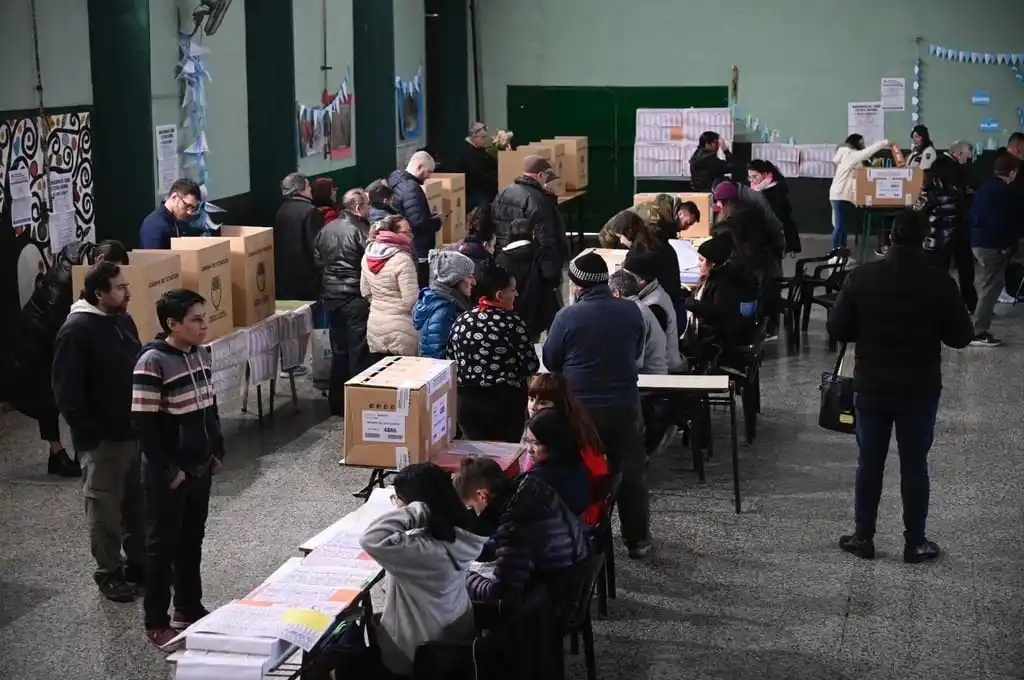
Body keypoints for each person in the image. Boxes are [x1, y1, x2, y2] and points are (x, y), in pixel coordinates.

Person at [826, 211, 973, 564]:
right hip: (919, 389)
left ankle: (863, 538)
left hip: (871, 386)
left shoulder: (861, 277)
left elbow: (838, 329)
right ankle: (915, 542)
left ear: (890, 237)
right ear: (924, 239)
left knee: (869, 464)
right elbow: (961, 337)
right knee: (914, 465)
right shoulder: (939, 282)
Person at [132, 288, 225, 645]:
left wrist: (215, 450)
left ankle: (188, 605)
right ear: (172, 324)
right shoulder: (152, 362)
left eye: (205, 318)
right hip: (169, 473)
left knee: (192, 541)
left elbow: (210, 406)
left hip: (200, 467)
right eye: (196, 320)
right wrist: (169, 470)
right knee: (162, 546)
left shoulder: (201, 354)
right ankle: (156, 618)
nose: (204, 326)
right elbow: (143, 425)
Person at [542, 252, 650, 558]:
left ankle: (579, 535)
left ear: (577, 285)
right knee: (630, 473)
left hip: (581, 411)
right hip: (625, 405)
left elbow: (551, 360)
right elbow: (637, 350)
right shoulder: (631, 311)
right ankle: (638, 540)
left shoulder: (568, 316)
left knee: (576, 470)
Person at [51, 261, 144, 603]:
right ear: (98, 293)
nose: (127, 292)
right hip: (103, 441)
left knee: (137, 505)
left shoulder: (122, 319)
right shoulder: (76, 330)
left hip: (133, 432)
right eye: (119, 288)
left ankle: (138, 563)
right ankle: (109, 572)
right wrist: (95, 431)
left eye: (126, 286)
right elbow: (66, 392)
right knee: (104, 511)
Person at [356, 462, 487, 677]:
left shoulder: (423, 552)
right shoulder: (459, 535)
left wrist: (416, 509)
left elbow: (371, 538)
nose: (396, 505)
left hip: (415, 651)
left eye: (398, 499)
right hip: (453, 636)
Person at [11, 239, 128, 477]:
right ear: (100, 262)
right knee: (48, 395)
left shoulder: (85, 257)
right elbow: (58, 322)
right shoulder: (66, 281)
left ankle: (69, 452)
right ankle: (57, 453)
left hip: (52, 331)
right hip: (39, 337)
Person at [455, 456, 589, 603]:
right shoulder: (531, 487)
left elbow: (500, 594)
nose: (474, 512)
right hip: (572, 573)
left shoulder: (516, 525)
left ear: (482, 496)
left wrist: (464, 578)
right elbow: (506, 543)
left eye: (471, 506)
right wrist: (474, 551)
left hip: (551, 600)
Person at [446, 263, 539, 441]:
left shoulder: (462, 320)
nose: (516, 294)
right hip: (504, 402)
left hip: (467, 402)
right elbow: (531, 364)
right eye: (513, 290)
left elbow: (450, 358)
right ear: (499, 295)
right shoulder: (512, 323)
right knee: (505, 456)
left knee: (477, 457)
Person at [315, 188, 373, 413]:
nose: (369, 209)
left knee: (338, 349)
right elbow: (370, 265)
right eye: (367, 205)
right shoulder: (363, 231)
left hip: (331, 297)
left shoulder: (326, 229)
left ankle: (337, 402)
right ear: (358, 208)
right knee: (358, 350)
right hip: (355, 297)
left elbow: (318, 260)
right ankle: (357, 404)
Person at [525, 374, 609, 525]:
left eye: (543, 402)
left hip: (576, 514)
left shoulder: (565, 438)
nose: (534, 407)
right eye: (531, 399)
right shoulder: (571, 425)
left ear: (560, 405)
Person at [915, 140, 977, 312]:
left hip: (939, 229)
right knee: (964, 270)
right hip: (957, 227)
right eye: (967, 155)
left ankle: (937, 306)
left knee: (939, 272)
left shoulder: (937, 169)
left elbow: (924, 200)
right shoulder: (955, 171)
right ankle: (969, 304)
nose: (969, 158)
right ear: (958, 154)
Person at [967, 153, 1019, 347]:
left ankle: (979, 328)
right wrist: (1007, 245)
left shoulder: (986, 186)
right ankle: (978, 331)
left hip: (977, 241)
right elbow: (1002, 223)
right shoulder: (1004, 191)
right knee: (991, 287)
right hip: (991, 245)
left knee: (989, 285)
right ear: (1012, 172)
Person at [490, 155, 569, 274]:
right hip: (529, 263)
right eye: (547, 176)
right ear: (540, 175)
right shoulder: (539, 200)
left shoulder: (503, 192)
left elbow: (495, 224)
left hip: (503, 257)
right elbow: (546, 238)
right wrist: (550, 270)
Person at [599, 208, 684, 314]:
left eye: (620, 237)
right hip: (673, 301)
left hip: (659, 308)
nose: (620, 241)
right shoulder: (656, 240)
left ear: (627, 233)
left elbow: (625, 285)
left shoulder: (637, 256)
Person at [684, 233, 759, 353]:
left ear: (712, 263)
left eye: (702, 260)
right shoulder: (713, 278)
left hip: (717, 340)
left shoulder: (723, 283)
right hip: (711, 335)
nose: (699, 264)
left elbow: (718, 312)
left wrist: (690, 303)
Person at [361, 214, 420, 359]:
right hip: (402, 330)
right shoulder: (403, 259)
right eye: (406, 232)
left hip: (375, 326)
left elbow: (365, 291)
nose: (411, 236)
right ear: (392, 233)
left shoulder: (367, 256)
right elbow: (411, 301)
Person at [495, 217, 560, 341]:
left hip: (508, 316)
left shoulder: (501, 259)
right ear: (533, 234)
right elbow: (552, 278)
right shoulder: (542, 254)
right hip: (537, 314)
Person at [622, 249, 685, 372]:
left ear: (641, 280)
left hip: (663, 375)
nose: (623, 280)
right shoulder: (653, 291)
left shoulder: (653, 306)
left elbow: (639, 350)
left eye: (627, 276)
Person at [388, 151, 443, 287]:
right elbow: (419, 222)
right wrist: (437, 221)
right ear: (419, 167)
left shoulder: (395, 181)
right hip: (418, 247)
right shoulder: (411, 188)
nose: (429, 176)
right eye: (428, 171)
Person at [523, 408, 591, 517]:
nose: (529, 449)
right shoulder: (577, 464)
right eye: (527, 441)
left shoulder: (537, 481)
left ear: (553, 444)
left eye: (536, 443)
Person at [829, 134, 890, 252]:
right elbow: (868, 151)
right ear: (855, 143)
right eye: (861, 142)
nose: (863, 145)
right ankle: (836, 254)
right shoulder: (850, 154)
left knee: (841, 226)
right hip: (841, 196)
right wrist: (886, 142)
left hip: (840, 195)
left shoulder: (846, 155)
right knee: (840, 227)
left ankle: (841, 254)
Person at [413, 249, 476, 359]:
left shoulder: (451, 302)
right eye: (469, 276)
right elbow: (437, 359)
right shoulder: (443, 310)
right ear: (455, 279)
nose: (474, 282)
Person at [274, 173, 324, 301]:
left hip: (285, 276)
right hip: (307, 278)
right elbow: (316, 246)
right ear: (300, 190)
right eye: (308, 187)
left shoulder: (282, 209)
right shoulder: (311, 211)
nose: (311, 189)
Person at [608, 270, 669, 375]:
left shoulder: (632, 313)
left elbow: (633, 360)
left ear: (616, 293)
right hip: (653, 375)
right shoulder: (639, 308)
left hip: (650, 381)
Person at [748, 159, 800, 255]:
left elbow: (781, 215)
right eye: (750, 177)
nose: (752, 180)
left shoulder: (774, 191)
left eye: (755, 176)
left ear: (764, 174)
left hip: (776, 234)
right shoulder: (757, 189)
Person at [139, 178, 201, 250]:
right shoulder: (155, 226)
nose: (189, 212)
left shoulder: (174, 220)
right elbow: (153, 260)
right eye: (187, 205)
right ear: (174, 197)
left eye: (192, 208)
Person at [458, 122, 499, 209]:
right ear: (474, 136)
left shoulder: (480, 150)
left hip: (482, 189)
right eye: (483, 137)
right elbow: (479, 176)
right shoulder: (467, 153)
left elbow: (494, 163)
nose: (485, 140)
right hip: (473, 192)